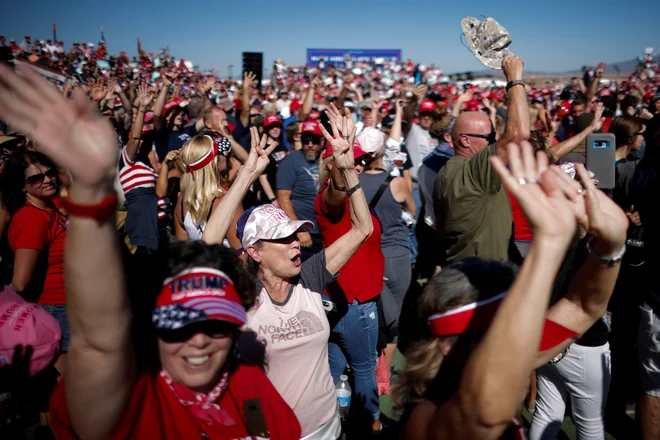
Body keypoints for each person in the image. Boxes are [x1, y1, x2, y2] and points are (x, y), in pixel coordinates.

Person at [0, 63, 301, 439]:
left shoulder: (247, 382)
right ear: (154, 330)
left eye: (217, 324)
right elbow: (95, 345)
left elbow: (206, 245)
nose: (200, 339)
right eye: (179, 324)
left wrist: (245, 175)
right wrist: (92, 187)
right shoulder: (132, 396)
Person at [394, 140, 628, 440]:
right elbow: (486, 411)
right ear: (450, 345)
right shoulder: (428, 417)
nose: (522, 341)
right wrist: (550, 243)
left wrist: (610, 246)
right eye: (505, 331)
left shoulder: (508, 358)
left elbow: (583, 307)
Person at [204, 115, 373, 438]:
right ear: (254, 251)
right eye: (282, 238)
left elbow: (362, 229)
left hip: (324, 427)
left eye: (295, 234)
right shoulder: (240, 292)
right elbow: (210, 242)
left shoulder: (308, 277)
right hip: (266, 431)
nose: (295, 242)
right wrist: (248, 174)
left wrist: (348, 168)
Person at [314, 104, 384, 434]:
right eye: (348, 161)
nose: (355, 164)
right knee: (364, 370)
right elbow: (335, 194)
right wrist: (343, 171)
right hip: (352, 306)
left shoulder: (358, 198)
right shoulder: (330, 199)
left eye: (357, 159)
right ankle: (367, 429)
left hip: (342, 301)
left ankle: (334, 429)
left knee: (333, 371)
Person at [434, 56, 529, 263]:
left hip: (463, 268)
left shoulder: (444, 172)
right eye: (490, 138)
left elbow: (440, 229)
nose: (494, 142)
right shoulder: (474, 171)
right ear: (465, 141)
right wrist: (514, 78)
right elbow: (518, 135)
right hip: (485, 277)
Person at [0, 151, 69, 375]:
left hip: (70, 307)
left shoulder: (50, 207)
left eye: (49, 173)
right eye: (35, 179)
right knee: (68, 390)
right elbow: (19, 284)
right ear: (22, 186)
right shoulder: (31, 219)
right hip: (56, 310)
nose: (47, 180)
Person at [119, 84, 171, 254]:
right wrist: (142, 108)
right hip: (143, 227)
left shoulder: (148, 165)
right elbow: (135, 137)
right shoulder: (128, 160)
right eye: (142, 139)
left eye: (146, 139)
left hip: (158, 227)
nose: (143, 141)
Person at [174, 133, 243, 252]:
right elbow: (242, 255)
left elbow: (183, 253)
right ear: (213, 162)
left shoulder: (182, 202)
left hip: (200, 268)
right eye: (219, 152)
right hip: (225, 270)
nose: (224, 154)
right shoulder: (226, 201)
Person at [276, 120, 324, 261]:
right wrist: (300, 230)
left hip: (325, 231)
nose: (310, 145)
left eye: (314, 141)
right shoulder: (290, 162)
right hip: (303, 232)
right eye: (306, 140)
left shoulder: (328, 159)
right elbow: (283, 199)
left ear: (322, 141)